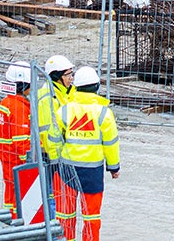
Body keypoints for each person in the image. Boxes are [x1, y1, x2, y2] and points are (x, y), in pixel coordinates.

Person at [50, 66, 120, 241]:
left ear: (76, 87)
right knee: (91, 217)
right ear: (96, 87)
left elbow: (54, 139)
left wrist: (54, 162)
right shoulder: (104, 113)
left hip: (66, 170)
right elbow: (110, 143)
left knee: (64, 216)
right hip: (92, 172)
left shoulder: (64, 110)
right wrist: (113, 167)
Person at [35, 54, 76, 217]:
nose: (71, 78)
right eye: (68, 75)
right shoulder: (47, 96)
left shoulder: (68, 92)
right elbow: (48, 132)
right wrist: (56, 158)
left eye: (72, 74)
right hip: (51, 155)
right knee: (50, 194)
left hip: (65, 153)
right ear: (57, 77)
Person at [0, 63, 33, 222]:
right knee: (17, 195)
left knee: (10, 194)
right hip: (16, 159)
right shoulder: (18, 107)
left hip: (7, 157)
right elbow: (21, 140)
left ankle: (9, 221)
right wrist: (30, 163)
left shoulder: (6, 103)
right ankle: (15, 224)